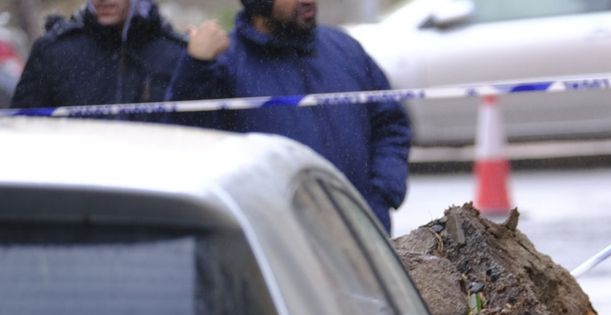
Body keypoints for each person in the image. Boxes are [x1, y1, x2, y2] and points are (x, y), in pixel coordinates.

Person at [169, 0, 409, 232]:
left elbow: (390, 124)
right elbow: (190, 142)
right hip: (277, 242)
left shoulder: (345, 49)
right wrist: (196, 66)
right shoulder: (223, 62)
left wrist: (380, 196)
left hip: (360, 233)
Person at [10, 0, 187, 116]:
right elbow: (24, 131)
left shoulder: (176, 54)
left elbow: (195, 131)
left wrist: (200, 64)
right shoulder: (54, 51)